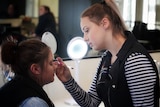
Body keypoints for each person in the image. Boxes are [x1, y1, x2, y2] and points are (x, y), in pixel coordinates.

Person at [55, 0, 159, 107]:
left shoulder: (135, 60)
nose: (84, 38)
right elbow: (91, 103)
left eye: (87, 30)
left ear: (105, 23)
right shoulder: (106, 59)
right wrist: (68, 80)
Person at [0, 37, 57, 107]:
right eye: (51, 63)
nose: (55, 67)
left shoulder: (19, 86)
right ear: (35, 69)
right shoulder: (34, 103)